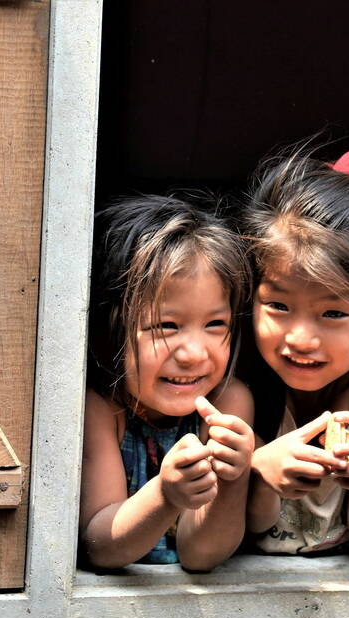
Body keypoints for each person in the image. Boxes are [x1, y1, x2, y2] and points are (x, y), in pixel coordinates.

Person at [242, 147, 349, 555]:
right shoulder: (246, 380)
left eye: (333, 312)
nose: (301, 338)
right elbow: (248, 527)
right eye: (278, 306)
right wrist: (261, 474)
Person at [80, 194, 255, 570]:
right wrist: (165, 494)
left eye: (215, 325)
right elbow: (101, 547)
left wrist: (233, 478)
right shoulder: (103, 409)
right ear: (105, 332)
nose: (193, 353)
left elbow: (201, 554)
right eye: (166, 326)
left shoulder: (229, 405)